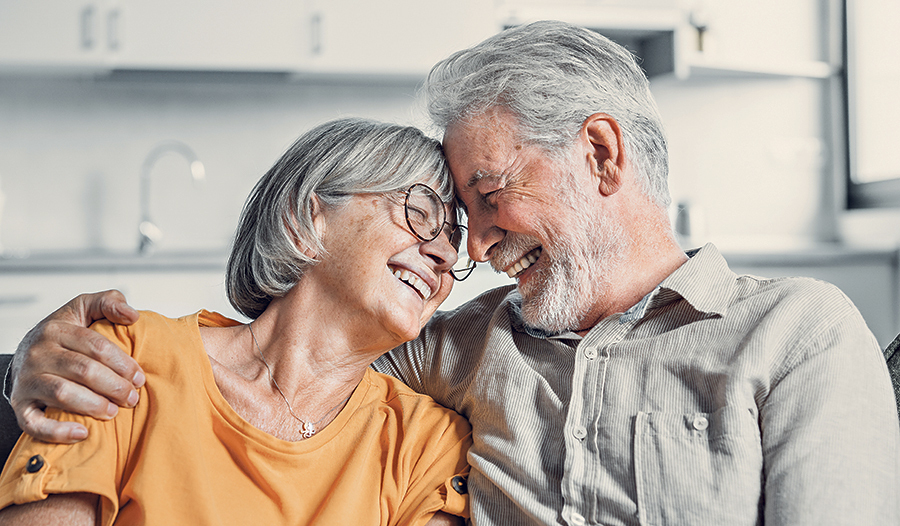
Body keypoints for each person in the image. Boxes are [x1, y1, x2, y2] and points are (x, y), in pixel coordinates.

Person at [6, 20, 900, 526]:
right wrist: (38, 356)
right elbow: (289, 356)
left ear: (598, 153)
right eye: (438, 217)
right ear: (307, 216)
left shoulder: (798, 332)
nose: (467, 253)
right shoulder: (458, 352)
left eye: (485, 195)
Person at [0, 118, 474, 525]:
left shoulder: (426, 445)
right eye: (418, 212)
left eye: (454, 239)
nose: (445, 254)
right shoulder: (126, 359)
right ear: (304, 222)